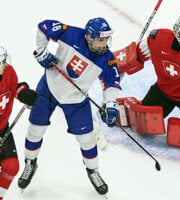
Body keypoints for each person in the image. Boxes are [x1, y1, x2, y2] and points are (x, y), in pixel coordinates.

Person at [17, 17, 121, 195]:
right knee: (35, 129)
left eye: (106, 39)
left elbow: (112, 83)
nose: (104, 44)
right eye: (100, 39)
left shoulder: (107, 59)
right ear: (89, 37)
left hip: (75, 99)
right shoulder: (71, 33)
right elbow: (44, 26)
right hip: (48, 87)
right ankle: (30, 163)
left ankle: (93, 170)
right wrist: (42, 51)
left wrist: (111, 104)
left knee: (87, 139)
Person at [0, 46, 38, 200]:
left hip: (2, 130)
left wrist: (23, 93)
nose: (4, 66)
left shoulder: (8, 72)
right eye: (1, 63)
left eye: (3, 62)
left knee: (11, 167)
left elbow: (13, 86)